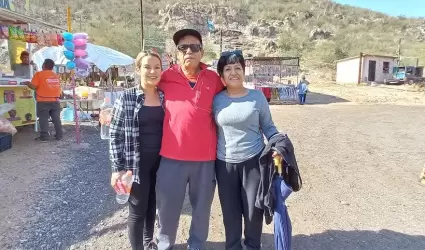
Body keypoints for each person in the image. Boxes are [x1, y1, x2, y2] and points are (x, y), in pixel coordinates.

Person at [155, 29, 224, 250]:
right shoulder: (165, 77)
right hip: (171, 157)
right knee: (167, 206)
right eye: (183, 47)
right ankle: (165, 244)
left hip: (205, 159)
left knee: (202, 208)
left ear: (201, 52)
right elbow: (142, 89)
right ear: (176, 53)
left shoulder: (214, 79)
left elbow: (232, 96)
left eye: (194, 47)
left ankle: (196, 245)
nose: (189, 51)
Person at [212, 51, 279, 250]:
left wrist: (277, 145)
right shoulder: (216, 100)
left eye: (238, 68)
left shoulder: (257, 98)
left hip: (254, 163)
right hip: (224, 164)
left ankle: (252, 246)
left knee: (253, 212)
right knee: (230, 214)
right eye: (228, 69)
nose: (234, 73)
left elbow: (269, 127)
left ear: (244, 71)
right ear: (221, 75)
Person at [109, 51, 164, 250]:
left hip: (161, 162)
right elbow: (114, 134)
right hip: (135, 164)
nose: (152, 71)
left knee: (152, 204)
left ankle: (149, 241)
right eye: (147, 67)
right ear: (138, 69)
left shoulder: (164, 96)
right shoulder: (127, 97)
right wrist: (117, 168)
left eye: (157, 67)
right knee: (137, 209)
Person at [27, 59, 62, 142]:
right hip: (55, 100)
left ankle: (44, 137)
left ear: (44, 65)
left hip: (43, 100)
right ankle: (59, 135)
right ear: (52, 67)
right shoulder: (55, 75)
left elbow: (34, 87)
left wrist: (27, 83)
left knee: (43, 119)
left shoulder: (39, 74)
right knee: (56, 118)